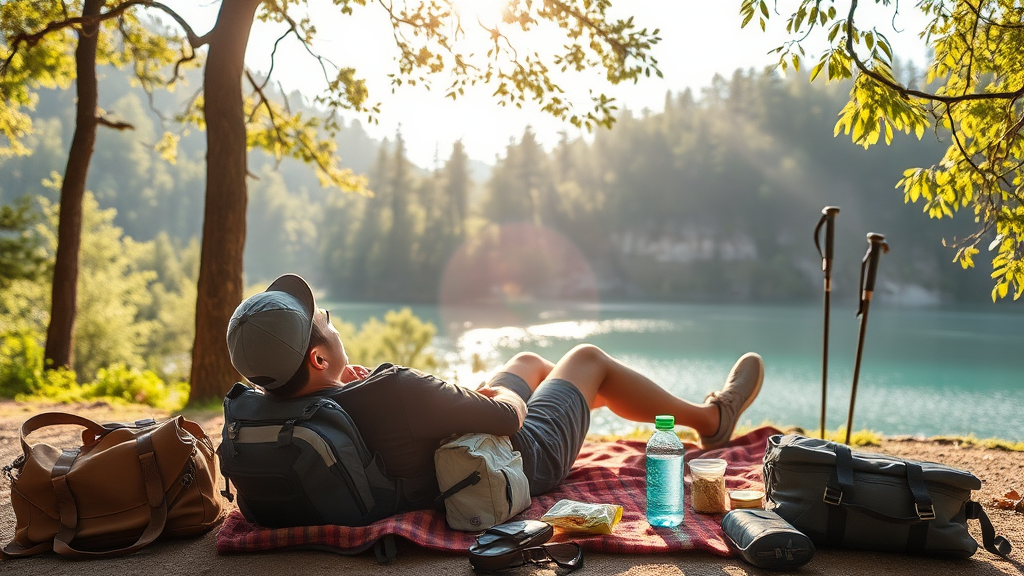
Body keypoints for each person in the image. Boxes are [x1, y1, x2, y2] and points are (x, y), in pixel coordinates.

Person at [226, 274, 764, 497]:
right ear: (319, 357)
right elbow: (507, 418)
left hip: (438, 452)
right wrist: (497, 397)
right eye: (325, 321)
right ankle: (711, 419)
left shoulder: (275, 410)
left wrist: (339, 385)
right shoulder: (388, 390)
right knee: (585, 358)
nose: (330, 320)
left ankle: (581, 399)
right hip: (517, 456)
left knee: (528, 360)